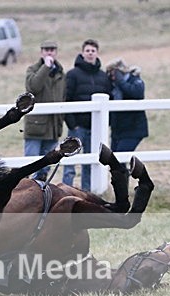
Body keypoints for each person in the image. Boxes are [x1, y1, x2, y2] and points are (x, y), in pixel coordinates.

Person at [62, 38, 112, 191]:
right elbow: (66, 99)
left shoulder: (103, 76)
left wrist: (105, 123)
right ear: (82, 53)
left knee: (91, 162)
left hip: (96, 128)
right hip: (78, 126)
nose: (90, 53)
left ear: (97, 53)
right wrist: (72, 124)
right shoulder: (72, 75)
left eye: (93, 51)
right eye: (87, 51)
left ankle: (87, 192)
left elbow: (110, 98)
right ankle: (65, 190)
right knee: (70, 161)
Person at [23, 40, 65, 181]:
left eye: (52, 49)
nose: (49, 52)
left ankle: (41, 192)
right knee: (30, 163)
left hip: (53, 126)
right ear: (41, 52)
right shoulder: (32, 69)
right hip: (36, 125)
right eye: (46, 49)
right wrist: (45, 67)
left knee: (46, 165)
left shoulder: (60, 72)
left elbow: (63, 96)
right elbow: (33, 87)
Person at [106, 59, 148, 152]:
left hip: (133, 128)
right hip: (117, 129)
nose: (113, 77)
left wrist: (121, 82)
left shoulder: (134, 79)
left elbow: (137, 94)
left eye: (114, 74)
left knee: (120, 157)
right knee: (114, 160)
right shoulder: (112, 85)